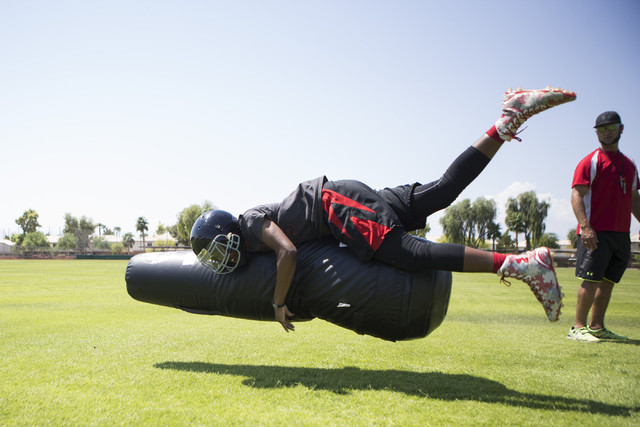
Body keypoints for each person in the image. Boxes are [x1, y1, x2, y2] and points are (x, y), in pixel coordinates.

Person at [191, 87, 576, 332]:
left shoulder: (250, 221)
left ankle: (519, 264)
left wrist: (277, 303)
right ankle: (507, 120)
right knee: (442, 191)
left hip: (335, 206)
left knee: (407, 254)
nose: (218, 259)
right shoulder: (250, 234)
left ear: (228, 230)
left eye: (216, 248)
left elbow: (288, 252)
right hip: (343, 199)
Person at [567, 111, 640, 342]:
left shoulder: (629, 165)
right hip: (595, 232)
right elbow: (576, 195)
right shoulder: (590, 161)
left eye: (611, 127)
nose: (606, 132)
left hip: (621, 233)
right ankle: (577, 328)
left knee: (608, 282)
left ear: (621, 129)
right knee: (591, 279)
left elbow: (634, 198)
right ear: (596, 133)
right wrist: (585, 227)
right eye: (601, 129)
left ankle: (597, 326)